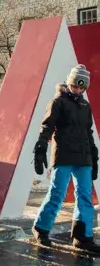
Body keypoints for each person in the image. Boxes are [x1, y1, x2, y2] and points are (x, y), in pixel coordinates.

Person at [32, 64, 100, 251]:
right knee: (57, 194)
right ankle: (41, 229)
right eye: (74, 86)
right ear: (69, 83)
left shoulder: (85, 106)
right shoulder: (58, 102)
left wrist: (93, 155)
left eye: (81, 87)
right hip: (63, 155)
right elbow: (47, 126)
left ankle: (82, 237)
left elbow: (88, 132)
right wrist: (40, 146)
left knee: (85, 196)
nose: (77, 90)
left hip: (83, 158)